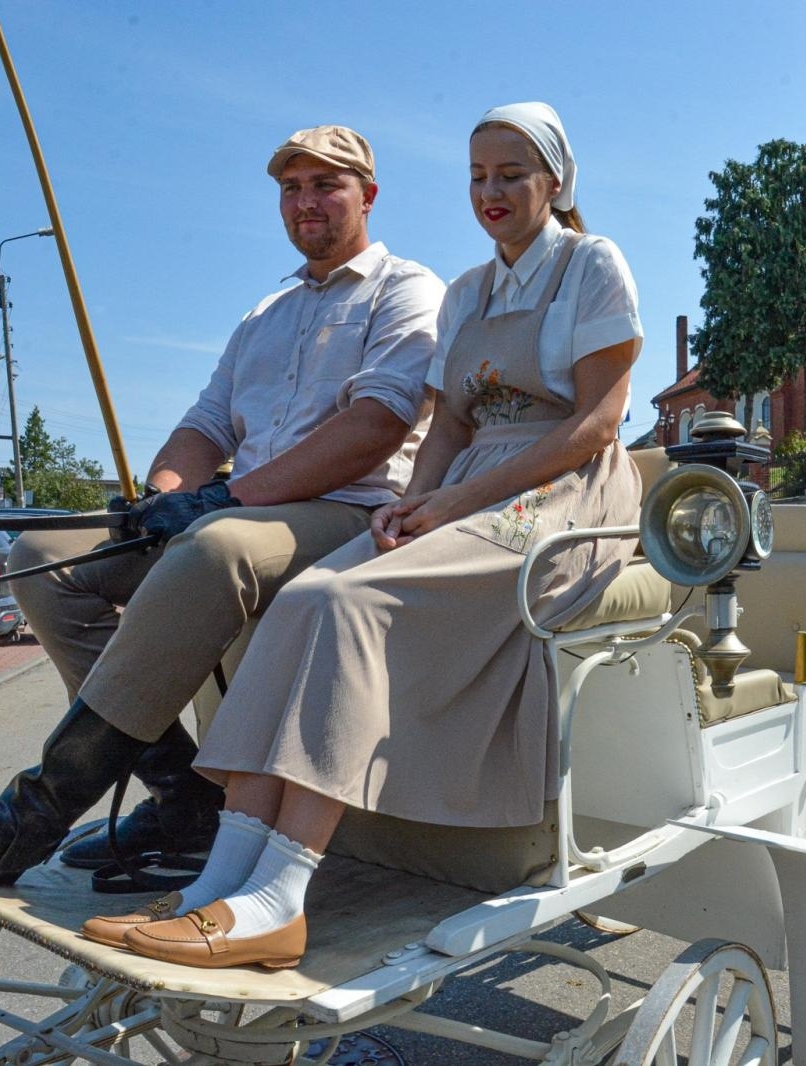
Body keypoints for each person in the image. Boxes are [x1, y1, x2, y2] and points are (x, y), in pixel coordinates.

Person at [91, 102, 645, 969]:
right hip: (467, 488)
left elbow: (597, 426)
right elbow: (451, 428)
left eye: (511, 174)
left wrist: (454, 505)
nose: (490, 192)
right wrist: (410, 502)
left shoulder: (592, 266)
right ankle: (218, 885)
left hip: (563, 496)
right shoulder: (467, 293)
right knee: (301, 596)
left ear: (556, 182)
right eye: (477, 175)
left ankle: (279, 897)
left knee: (344, 601)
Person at [0, 126, 447, 886]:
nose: (305, 201)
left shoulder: (407, 289)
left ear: (367, 196)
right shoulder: (265, 315)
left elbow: (375, 426)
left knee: (216, 548)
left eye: (325, 185)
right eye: (291, 187)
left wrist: (220, 500)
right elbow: (203, 425)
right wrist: (166, 496)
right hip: (242, 507)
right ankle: (183, 798)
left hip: (348, 512)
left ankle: (30, 816)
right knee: (45, 558)